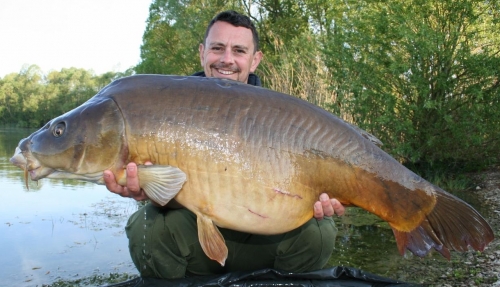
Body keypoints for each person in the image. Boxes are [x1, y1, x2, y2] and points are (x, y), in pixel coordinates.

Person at [103, 10, 345, 279]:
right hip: (194, 234)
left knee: (319, 232)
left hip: (263, 238)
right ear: (202, 52)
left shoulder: (280, 117)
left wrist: (324, 198)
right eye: (218, 48)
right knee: (146, 227)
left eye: (239, 50)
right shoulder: (166, 109)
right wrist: (148, 190)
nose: (227, 59)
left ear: (255, 60)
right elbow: (173, 186)